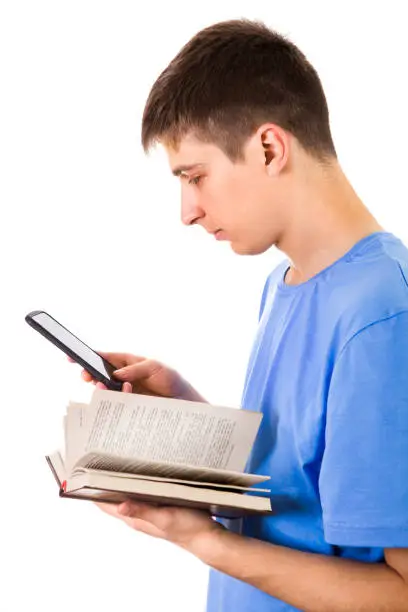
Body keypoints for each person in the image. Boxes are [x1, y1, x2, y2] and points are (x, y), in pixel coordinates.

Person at [76, 19, 408, 611]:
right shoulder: (284, 284)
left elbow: (399, 595)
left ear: (268, 148)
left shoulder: (381, 316)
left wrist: (203, 540)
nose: (188, 211)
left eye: (194, 176)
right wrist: (188, 415)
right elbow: (297, 490)